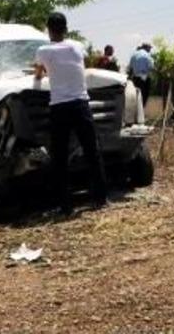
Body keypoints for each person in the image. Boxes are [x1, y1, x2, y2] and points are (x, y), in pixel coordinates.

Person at [35, 12, 108, 215]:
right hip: (81, 104)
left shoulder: (43, 51)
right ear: (66, 29)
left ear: (48, 29)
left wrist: (42, 71)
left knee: (60, 157)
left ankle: (65, 206)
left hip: (60, 107)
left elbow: (38, 74)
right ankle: (101, 198)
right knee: (92, 151)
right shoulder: (77, 46)